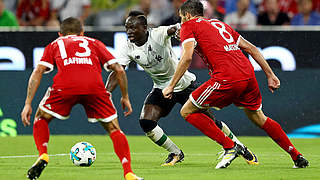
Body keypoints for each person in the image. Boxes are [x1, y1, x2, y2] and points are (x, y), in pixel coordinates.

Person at [163, 0, 309, 169]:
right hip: (248, 75)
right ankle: (296, 156)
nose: (181, 21)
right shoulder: (218, 24)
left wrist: (171, 85)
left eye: (181, 18)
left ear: (187, 15)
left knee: (187, 111)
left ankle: (230, 146)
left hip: (226, 77)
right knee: (259, 118)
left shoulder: (189, 26)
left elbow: (187, 57)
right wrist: (270, 74)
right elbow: (252, 48)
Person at [106, 10, 258, 167]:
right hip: (161, 88)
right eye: (127, 27)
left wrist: (180, 31)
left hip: (184, 84)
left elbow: (175, 28)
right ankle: (175, 153)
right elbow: (118, 71)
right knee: (146, 121)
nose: (129, 31)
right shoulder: (127, 48)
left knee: (211, 121)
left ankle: (240, 147)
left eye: (133, 27)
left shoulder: (158, 34)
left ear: (145, 27)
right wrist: (106, 93)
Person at [20, 17, 143, 180]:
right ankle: (128, 172)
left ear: (60, 34)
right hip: (94, 87)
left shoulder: (56, 43)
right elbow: (119, 70)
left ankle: (43, 154)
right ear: (82, 32)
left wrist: (28, 103)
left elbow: (38, 71)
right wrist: (125, 96)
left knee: (41, 118)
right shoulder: (94, 42)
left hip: (65, 86)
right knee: (114, 129)